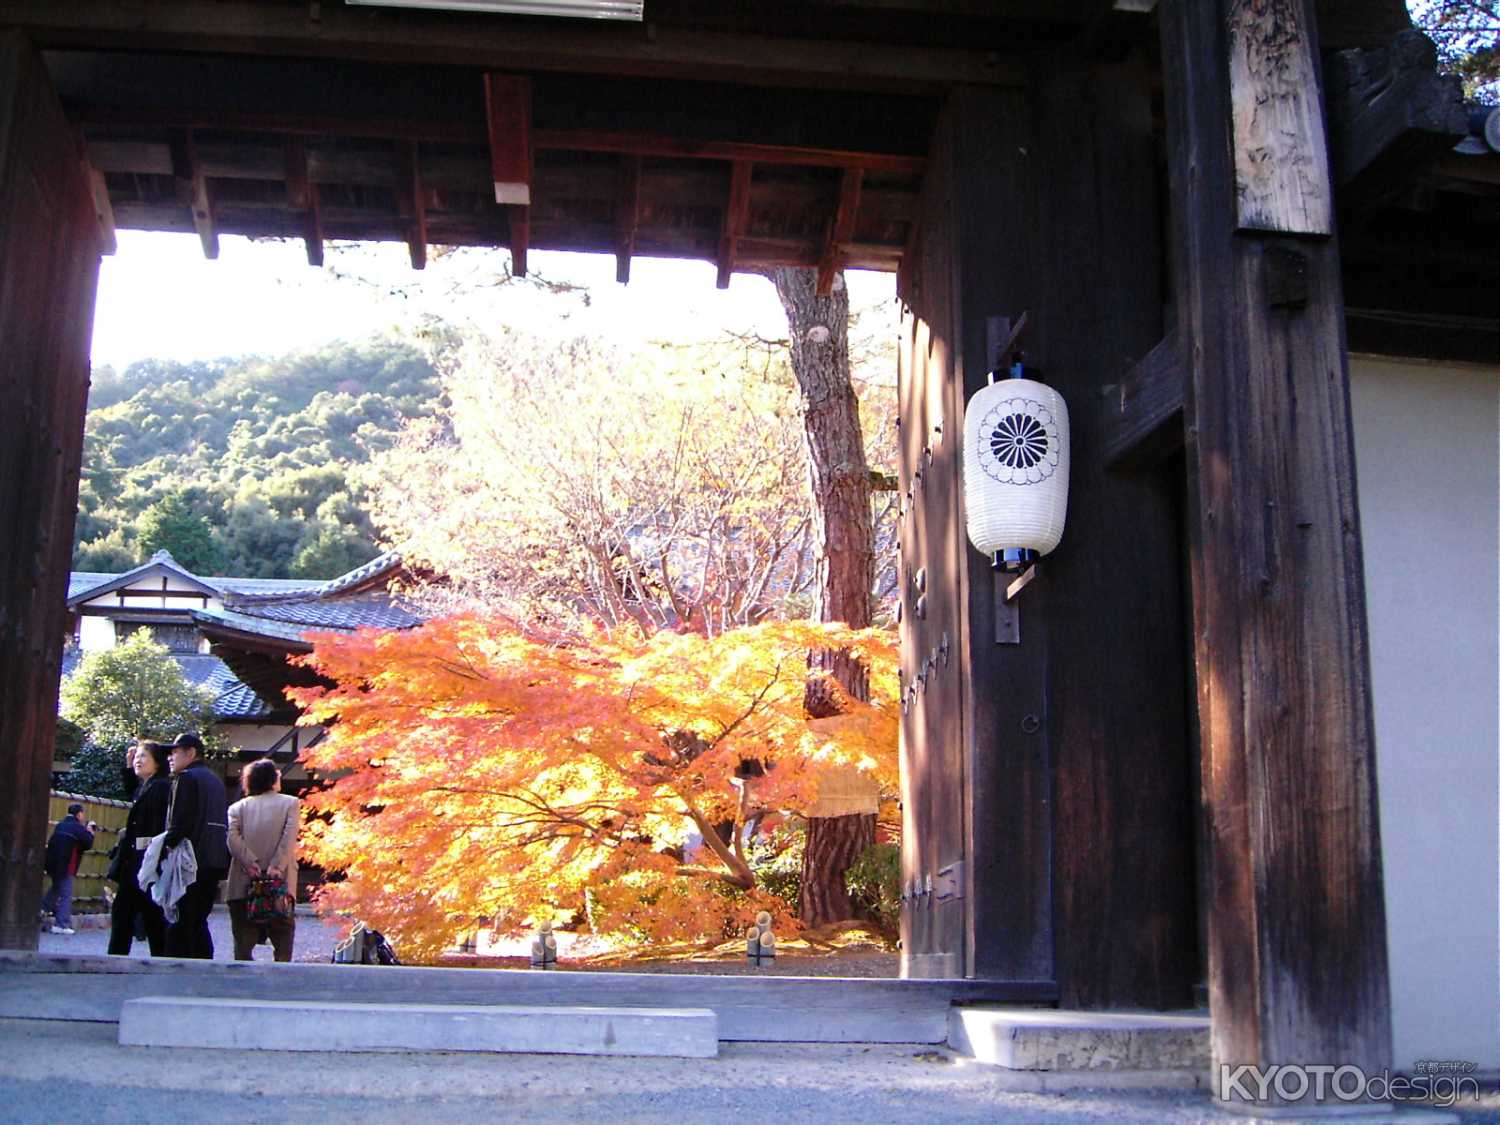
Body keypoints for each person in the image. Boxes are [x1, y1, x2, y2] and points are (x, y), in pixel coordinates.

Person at [161, 732, 230, 958]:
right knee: (198, 918)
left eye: (175, 752)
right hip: (214, 858)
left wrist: (164, 847)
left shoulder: (187, 778)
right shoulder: (215, 780)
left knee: (182, 919)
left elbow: (180, 822)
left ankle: (178, 967)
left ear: (190, 753)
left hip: (191, 859)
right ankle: (204, 964)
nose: (170, 758)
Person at [226, 759, 300, 962]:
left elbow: (232, 839)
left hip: (244, 881)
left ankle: (243, 978)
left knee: (242, 945)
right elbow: (289, 836)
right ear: (272, 779)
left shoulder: (236, 808)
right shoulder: (290, 803)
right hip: (280, 882)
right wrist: (277, 865)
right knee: (283, 942)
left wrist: (250, 862)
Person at [107, 740, 172, 956]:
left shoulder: (160, 787)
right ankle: (122, 957)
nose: (138, 760)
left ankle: (151, 958)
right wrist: (128, 766)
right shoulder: (146, 786)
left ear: (157, 762)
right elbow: (132, 792)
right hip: (137, 860)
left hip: (147, 859)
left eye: (144, 756)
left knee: (146, 915)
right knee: (131, 914)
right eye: (137, 756)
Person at [41, 803, 96, 935]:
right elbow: (87, 843)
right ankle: (61, 924)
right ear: (79, 814)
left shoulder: (60, 825)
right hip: (67, 865)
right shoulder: (77, 827)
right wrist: (90, 832)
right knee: (66, 894)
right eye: (82, 813)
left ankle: (41, 910)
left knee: (56, 888)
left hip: (53, 864)